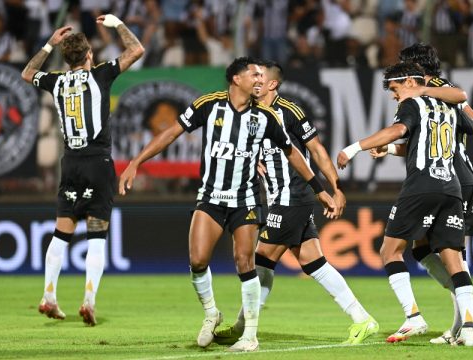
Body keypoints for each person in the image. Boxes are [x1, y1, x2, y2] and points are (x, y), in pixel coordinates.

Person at [118, 57, 336, 352]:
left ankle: (250, 336)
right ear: (236, 78)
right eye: (254, 74)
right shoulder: (209, 105)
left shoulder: (266, 117)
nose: (260, 79)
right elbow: (171, 133)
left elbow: (293, 152)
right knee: (197, 261)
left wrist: (319, 188)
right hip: (210, 197)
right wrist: (136, 162)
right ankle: (211, 314)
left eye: (262, 75)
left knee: (245, 262)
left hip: (245, 200)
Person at [214, 60, 379, 345]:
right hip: (282, 197)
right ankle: (362, 318)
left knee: (261, 259)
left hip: (292, 196)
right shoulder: (252, 113)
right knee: (312, 261)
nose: (255, 81)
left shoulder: (288, 112)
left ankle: (245, 327)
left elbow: (315, 149)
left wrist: (334, 188)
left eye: (260, 77)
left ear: (272, 84)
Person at [337, 62, 473, 346]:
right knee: (453, 259)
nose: (394, 95)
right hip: (451, 187)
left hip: (421, 186)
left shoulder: (413, 103)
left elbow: (397, 130)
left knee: (390, 251)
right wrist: (391, 148)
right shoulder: (449, 106)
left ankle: (413, 316)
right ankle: (468, 328)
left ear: (408, 82)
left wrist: (354, 148)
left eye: (394, 89)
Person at [21, 14, 144, 326]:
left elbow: (27, 72)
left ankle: (49, 295)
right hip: (98, 162)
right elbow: (136, 50)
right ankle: (88, 300)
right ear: (90, 55)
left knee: (61, 233)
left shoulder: (57, 81)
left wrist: (50, 42)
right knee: (96, 237)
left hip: (71, 163)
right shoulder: (101, 75)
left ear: (66, 58)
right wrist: (117, 24)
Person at [374, 42, 473, 344]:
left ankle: (463, 318)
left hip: (453, 178)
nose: (399, 80)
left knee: (452, 256)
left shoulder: (438, 88)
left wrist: (441, 111)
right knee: (424, 250)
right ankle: (461, 323)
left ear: (417, 69)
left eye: (405, 67)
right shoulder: (429, 96)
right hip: (448, 179)